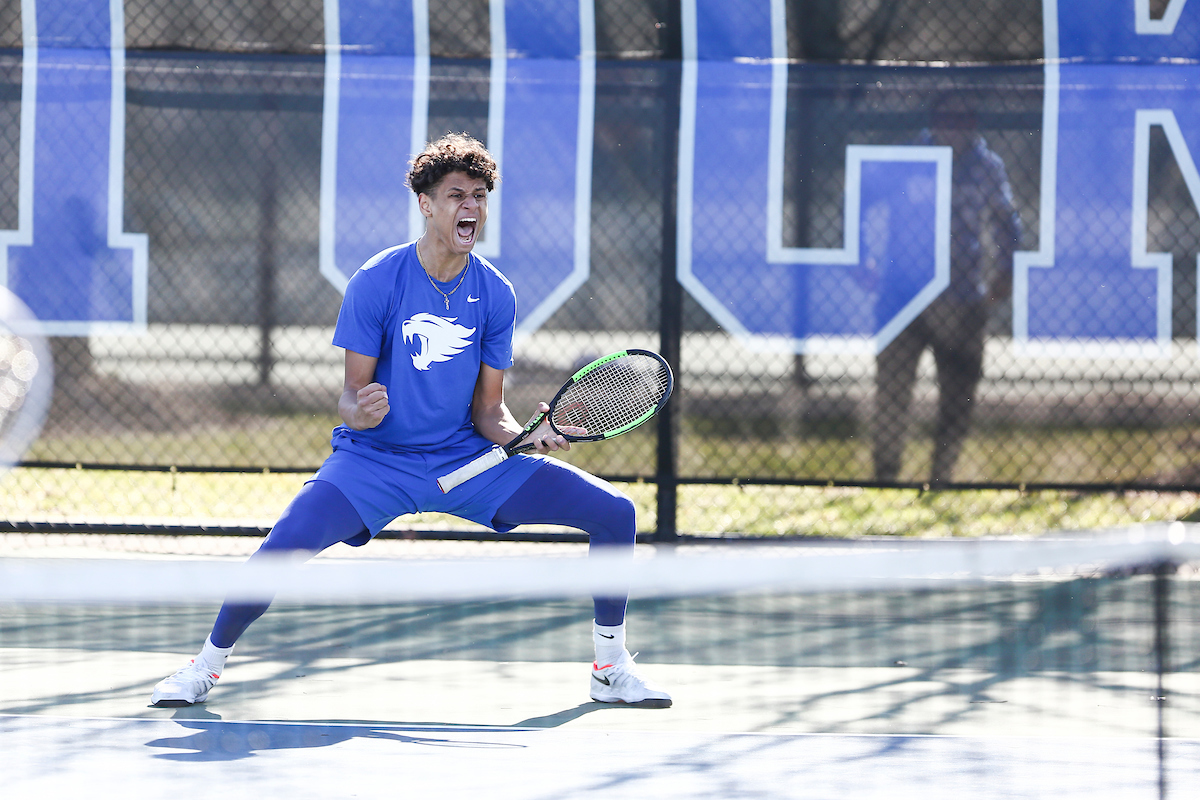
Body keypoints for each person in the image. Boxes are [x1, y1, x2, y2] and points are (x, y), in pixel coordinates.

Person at [150, 133, 671, 709]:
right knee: (282, 548)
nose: (469, 207)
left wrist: (531, 437)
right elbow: (350, 398)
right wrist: (363, 410)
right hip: (373, 462)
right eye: (455, 195)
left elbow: (490, 411)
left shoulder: (496, 294)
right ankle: (205, 667)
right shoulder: (378, 281)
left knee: (614, 513)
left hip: (467, 462)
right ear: (426, 204)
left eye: (479, 196)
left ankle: (608, 668)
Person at [872, 93, 1022, 485]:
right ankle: (884, 477)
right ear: (932, 120)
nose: (953, 127)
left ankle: (942, 477)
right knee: (891, 389)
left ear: (973, 123)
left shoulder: (988, 167)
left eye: (962, 118)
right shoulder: (907, 160)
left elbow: (1008, 222)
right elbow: (860, 198)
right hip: (902, 295)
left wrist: (1006, 270)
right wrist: (858, 258)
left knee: (958, 394)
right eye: (944, 117)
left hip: (961, 297)